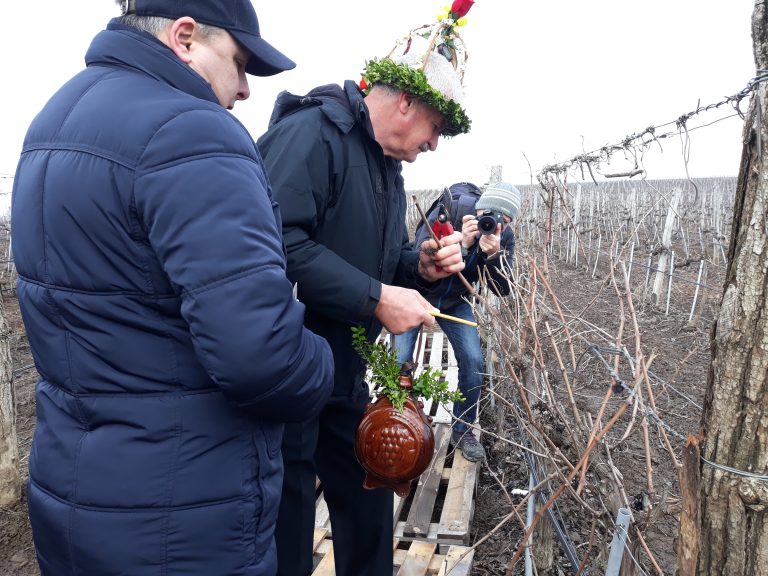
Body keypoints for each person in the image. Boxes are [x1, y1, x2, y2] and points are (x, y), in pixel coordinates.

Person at [11, 1, 334, 575]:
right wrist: (321, 362)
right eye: (238, 64)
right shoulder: (191, 130)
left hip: (73, 492)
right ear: (185, 38)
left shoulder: (52, 123)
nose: (244, 91)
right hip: (181, 514)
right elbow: (261, 357)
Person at [256, 4, 476, 575]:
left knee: (369, 497)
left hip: (344, 367)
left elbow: (374, 261)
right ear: (405, 101)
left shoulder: (384, 166)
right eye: (435, 127)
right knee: (289, 511)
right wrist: (377, 297)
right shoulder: (312, 135)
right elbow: (272, 246)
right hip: (287, 366)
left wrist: (419, 267)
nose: (434, 145)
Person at [394, 181, 520, 462]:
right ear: (478, 207)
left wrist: (493, 255)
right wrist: (461, 243)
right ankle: (396, 420)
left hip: (456, 301)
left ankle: (462, 431)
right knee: (399, 359)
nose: (493, 223)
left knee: (474, 362)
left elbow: (503, 289)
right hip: (418, 294)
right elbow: (417, 259)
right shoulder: (450, 211)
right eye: (488, 214)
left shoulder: (504, 237)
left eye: (504, 220)